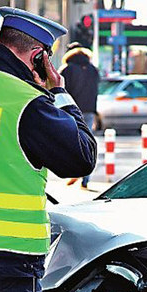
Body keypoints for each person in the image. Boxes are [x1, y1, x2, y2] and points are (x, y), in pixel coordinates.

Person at [0, 7, 97, 292]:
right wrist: (60, 92)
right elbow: (82, 158)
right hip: (7, 266)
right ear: (39, 56)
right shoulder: (28, 104)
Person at [59, 42, 100, 189]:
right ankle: (85, 179)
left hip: (70, 110)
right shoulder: (93, 70)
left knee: (68, 142)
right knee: (87, 142)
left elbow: (58, 89)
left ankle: (73, 170)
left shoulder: (67, 69)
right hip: (89, 110)